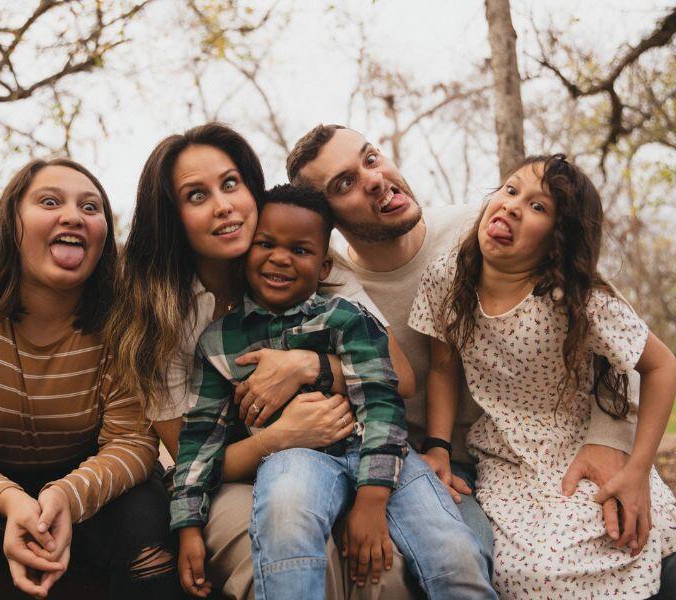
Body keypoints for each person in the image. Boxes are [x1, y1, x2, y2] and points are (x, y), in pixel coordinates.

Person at [279, 123, 671, 596]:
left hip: (541, 449)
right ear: (326, 218)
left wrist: (612, 439)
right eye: (345, 183)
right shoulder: (325, 279)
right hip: (442, 466)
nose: (375, 178)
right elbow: (435, 367)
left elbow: (621, 346)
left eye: (371, 157)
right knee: (472, 565)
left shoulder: (487, 230)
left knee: (625, 539)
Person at [105, 122, 409, 599]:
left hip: (341, 457)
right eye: (196, 195)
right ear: (173, 216)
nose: (224, 205)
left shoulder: (303, 259)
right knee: (280, 552)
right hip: (231, 482)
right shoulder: (161, 315)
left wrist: (307, 366)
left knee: (382, 573)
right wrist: (278, 438)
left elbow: (402, 378)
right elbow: (195, 457)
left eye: (230, 184)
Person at [171, 184, 495, 599]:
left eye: (300, 250)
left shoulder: (346, 318)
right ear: (245, 253)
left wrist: (372, 501)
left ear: (324, 267)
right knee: (285, 525)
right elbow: (200, 440)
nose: (281, 258)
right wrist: (188, 526)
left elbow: (382, 400)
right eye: (266, 243)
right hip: (293, 458)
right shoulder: (217, 343)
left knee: (454, 554)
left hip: (379, 454)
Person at [0, 158, 179, 599]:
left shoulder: (126, 311)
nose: (72, 216)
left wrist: (66, 496)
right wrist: (9, 501)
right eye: (49, 201)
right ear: (10, 221)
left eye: (90, 207)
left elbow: (133, 443)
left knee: (152, 548)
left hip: (95, 483)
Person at [408, 154, 676, 597]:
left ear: (559, 238)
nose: (513, 206)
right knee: (524, 572)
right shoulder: (448, 277)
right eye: (511, 191)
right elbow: (443, 366)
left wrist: (638, 470)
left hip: (580, 445)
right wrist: (437, 446)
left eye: (538, 207)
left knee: (627, 540)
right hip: (507, 457)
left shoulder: (576, 297)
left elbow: (662, 365)